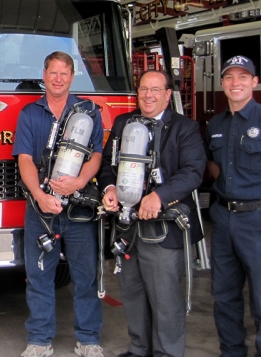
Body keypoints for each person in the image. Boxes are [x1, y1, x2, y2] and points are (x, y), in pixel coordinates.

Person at [98, 70, 206, 357]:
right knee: (132, 292)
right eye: (144, 89)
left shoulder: (185, 128)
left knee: (165, 299)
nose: (148, 95)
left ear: (167, 94)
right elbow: (108, 165)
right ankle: (139, 349)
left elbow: (193, 172)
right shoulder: (123, 123)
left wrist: (159, 195)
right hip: (128, 228)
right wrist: (109, 188)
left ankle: (167, 353)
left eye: (155, 90)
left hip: (164, 232)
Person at [13, 51, 104, 357]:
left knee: (85, 276)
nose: (58, 78)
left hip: (79, 208)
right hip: (40, 209)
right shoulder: (29, 113)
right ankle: (39, 341)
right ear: (44, 74)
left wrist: (79, 182)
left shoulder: (88, 112)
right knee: (39, 277)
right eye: (53, 72)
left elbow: (96, 156)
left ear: (72, 76)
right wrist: (39, 196)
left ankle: (88, 340)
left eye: (64, 73)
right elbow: (24, 159)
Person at [206, 55, 261, 357]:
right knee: (224, 296)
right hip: (223, 218)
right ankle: (232, 352)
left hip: (257, 219)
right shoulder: (215, 124)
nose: (235, 83)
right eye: (229, 77)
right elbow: (213, 166)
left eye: (242, 77)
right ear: (222, 83)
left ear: (254, 82)